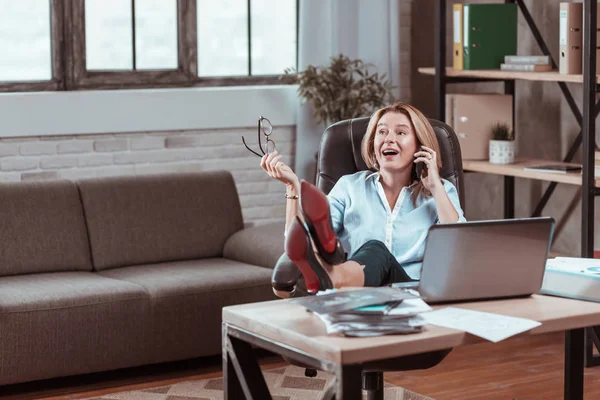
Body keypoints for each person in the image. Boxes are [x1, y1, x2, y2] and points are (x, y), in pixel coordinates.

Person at [260, 102, 466, 294]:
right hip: (359, 293)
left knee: (377, 251)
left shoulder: (441, 191)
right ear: (373, 144)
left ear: (420, 147)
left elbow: (458, 244)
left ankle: (330, 277)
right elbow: (299, 240)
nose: (389, 139)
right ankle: (330, 271)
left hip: (411, 293)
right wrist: (292, 187)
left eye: (401, 132)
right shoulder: (350, 186)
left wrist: (435, 187)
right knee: (316, 237)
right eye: (382, 132)